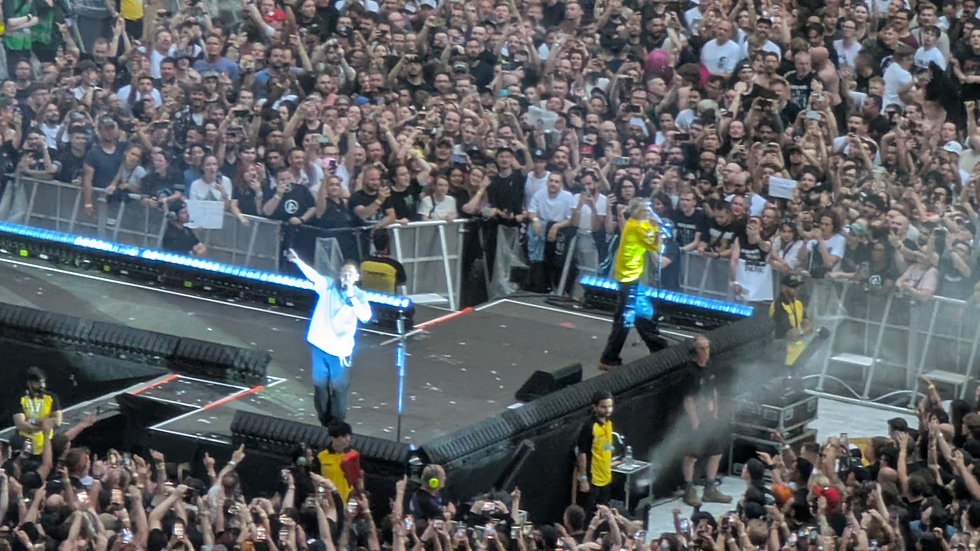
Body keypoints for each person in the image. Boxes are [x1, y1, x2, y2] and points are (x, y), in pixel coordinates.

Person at [287, 250, 372, 426]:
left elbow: (365, 316)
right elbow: (313, 276)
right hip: (319, 345)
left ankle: (337, 423)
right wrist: (297, 261)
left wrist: (351, 296)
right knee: (320, 386)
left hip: (339, 351)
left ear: (357, 277)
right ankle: (324, 420)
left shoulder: (360, 296)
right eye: (343, 273)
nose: (346, 277)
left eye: (350, 274)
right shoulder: (328, 286)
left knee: (339, 388)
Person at [599, 198, 668, 371]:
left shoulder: (636, 224)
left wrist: (653, 226)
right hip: (629, 277)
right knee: (629, 317)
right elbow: (655, 246)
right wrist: (658, 229)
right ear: (637, 211)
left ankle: (656, 347)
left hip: (630, 276)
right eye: (645, 210)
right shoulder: (636, 227)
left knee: (631, 316)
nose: (649, 213)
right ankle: (610, 357)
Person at [681, 335, 732, 507]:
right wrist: (695, 422)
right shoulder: (690, 371)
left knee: (716, 452)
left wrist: (716, 413)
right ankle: (689, 489)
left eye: (707, 348)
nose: (705, 352)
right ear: (694, 351)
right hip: (697, 420)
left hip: (710, 418)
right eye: (701, 349)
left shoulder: (710, 367)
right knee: (691, 456)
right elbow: (688, 399)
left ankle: (710, 489)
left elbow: (714, 391)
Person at [576, 390, 614, 514]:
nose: (607, 410)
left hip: (606, 477)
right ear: (595, 407)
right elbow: (582, 453)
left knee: (604, 514)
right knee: (589, 514)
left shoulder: (609, 424)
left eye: (610, 406)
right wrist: (583, 479)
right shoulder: (589, 427)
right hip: (593, 479)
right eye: (603, 407)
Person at [13, 366, 61, 457]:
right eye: (38, 382)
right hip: (26, 445)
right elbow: (20, 424)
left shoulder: (51, 397)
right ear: (30, 383)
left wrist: (31, 421)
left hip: (46, 444)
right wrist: (44, 424)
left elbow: (57, 420)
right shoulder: (21, 398)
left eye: (43, 382)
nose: (42, 386)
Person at [769, 274, 813, 367]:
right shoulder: (778, 306)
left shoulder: (798, 304)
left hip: (800, 354)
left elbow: (810, 326)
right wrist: (804, 331)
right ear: (784, 288)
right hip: (784, 357)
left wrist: (801, 332)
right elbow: (791, 334)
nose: (797, 289)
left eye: (797, 286)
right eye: (793, 287)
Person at [316, 421, 363, 503]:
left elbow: (359, 481)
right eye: (344, 436)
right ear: (333, 437)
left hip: (348, 503)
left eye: (349, 435)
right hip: (328, 502)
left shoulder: (354, 455)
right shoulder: (321, 455)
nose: (348, 439)